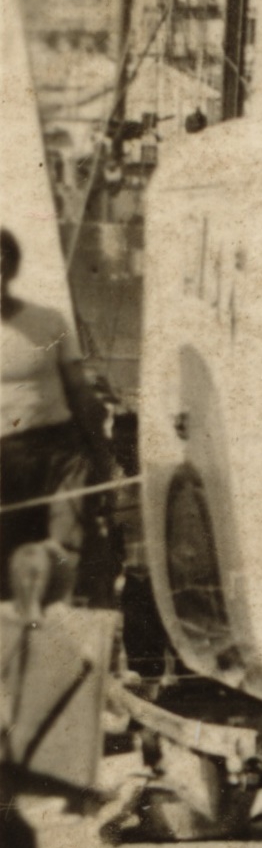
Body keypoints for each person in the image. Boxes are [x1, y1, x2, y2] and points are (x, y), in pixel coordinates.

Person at [3, 228, 108, 607]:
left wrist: (102, 455)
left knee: (64, 553)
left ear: (12, 269)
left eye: (1, 266)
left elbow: (80, 393)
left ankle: (62, 626)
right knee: (7, 573)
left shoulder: (48, 321)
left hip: (59, 452)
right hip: (4, 460)